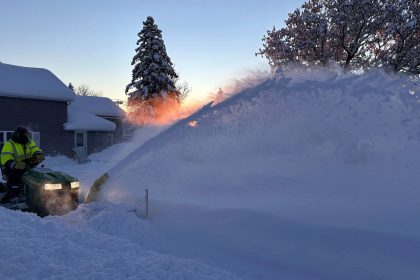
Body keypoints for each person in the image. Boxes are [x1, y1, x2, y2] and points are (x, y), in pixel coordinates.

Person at [0, 126, 44, 202]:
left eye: (26, 134)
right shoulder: (9, 144)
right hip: (11, 168)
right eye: (24, 135)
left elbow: (35, 149)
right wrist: (15, 165)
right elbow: (5, 158)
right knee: (16, 177)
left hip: (26, 166)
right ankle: (13, 196)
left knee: (40, 175)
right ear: (18, 135)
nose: (26, 136)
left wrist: (38, 155)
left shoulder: (28, 142)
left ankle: (40, 193)